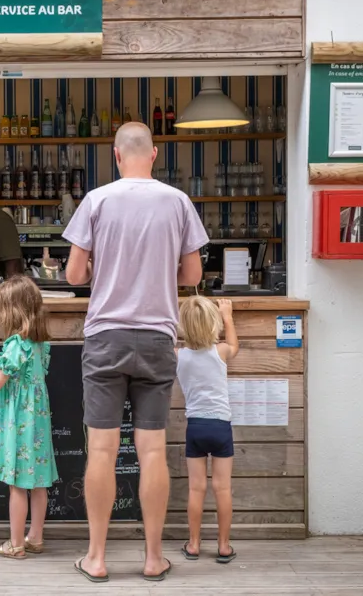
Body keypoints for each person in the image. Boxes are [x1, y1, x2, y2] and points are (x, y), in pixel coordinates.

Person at [63, 122, 208, 583]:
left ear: (116, 154)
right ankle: (151, 558)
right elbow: (191, 276)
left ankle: (98, 558)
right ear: (156, 154)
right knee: (151, 451)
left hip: (106, 335)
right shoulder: (178, 201)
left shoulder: (97, 200)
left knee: (102, 451)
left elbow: (72, 275)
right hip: (157, 337)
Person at [0, 275, 58, 560]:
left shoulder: (15, 344)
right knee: (39, 482)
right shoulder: (40, 343)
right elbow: (18, 376)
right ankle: (35, 537)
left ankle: (16, 544)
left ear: (13, 311)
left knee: (17, 484)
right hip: (38, 424)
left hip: (18, 422)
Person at [177, 296, 239, 564]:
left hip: (196, 428)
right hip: (220, 426)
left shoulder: (178, 355)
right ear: (213, 324)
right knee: (222, 489)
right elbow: (235, 345)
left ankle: (193, 544)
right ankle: (224, 546)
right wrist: (228, 315)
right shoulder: (221, 352)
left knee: (196, 489)